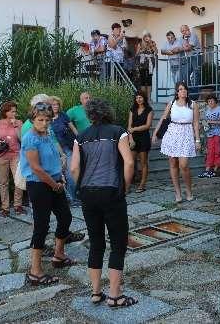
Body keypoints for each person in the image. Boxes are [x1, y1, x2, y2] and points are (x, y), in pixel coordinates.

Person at [70, 99, 137, 308]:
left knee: (96, 243)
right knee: (118, 243)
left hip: (88, 194)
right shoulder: (118, 132)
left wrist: (80, 187)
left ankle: (96, 292)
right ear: (108, 112)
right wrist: (125, 186)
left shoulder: (80, 137)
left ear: (89, 115)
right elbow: (129, 161)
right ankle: (115, 295)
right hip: (111, 191)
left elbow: (73, 168)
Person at [21, 102, 74, 286]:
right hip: (39, 185)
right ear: (32, 120)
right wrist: (54, 185)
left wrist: (60, 177)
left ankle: (58, 255)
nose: (44, 123)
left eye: (47, 120)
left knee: (65, 217)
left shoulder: (48, 133)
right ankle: (35, 271)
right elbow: (35, 168)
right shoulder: (30, 138)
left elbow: (53, 157)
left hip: (55, 181)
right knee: (41, 226)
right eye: (40, 120)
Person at [152, 82, 201, 202]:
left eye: (184, 89)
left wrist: (197, 139)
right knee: (173, 163)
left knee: (184, 165)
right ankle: (178, 192)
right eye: (180, 89)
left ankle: (189, 190)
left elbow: (195, 123)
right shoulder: (171, 104)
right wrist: (155, 133)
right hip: (172, 134)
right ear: (177, 92)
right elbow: (163, 119)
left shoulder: (193, 105)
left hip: (186, 134)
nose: (183, 91)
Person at [0, 101, 25, 216]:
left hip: (16, 154)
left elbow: (22, 139)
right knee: (3, 182)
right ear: (6, 112)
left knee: (18, 180)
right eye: (12, 111)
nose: (14, 113)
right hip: (1, 156)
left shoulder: (19, 122)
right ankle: (5, 208)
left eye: (15, 111)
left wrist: (15, 126)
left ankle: (18, 205)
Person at [49, 96, 80, 207]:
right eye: (53, 105)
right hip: (53, 151)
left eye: (57, 104)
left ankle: (73, 198)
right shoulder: (46, 118)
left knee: (71, 172)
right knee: (58, 176)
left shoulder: (63, 116)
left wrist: (80, 139)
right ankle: (63, 200)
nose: (55, 106)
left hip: (66, 147)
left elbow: (73, 129)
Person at [128, 91, 153, 193]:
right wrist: (130, 137)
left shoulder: (149, 110)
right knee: (130, 162)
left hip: (144, 138)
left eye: (140, 97)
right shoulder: (132, 110)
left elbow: (147, 125)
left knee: (143, 162)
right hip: (133, 138)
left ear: (144, 98)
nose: (138, 99)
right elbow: (129, 126)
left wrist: (134, 129)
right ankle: (127, 185)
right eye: (137, 98)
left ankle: (142, 184)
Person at [199, 95, 220, 179]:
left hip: (217, 133)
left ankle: (215, 169)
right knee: (210, 151)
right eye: (209, 101)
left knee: (217, 151)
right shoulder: (207, 110)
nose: (210, 102)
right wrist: (204, 123)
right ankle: (207, 169)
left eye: (212, 101)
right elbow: (204, 120)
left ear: (215, 101)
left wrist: (211, 121)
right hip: (209, 133)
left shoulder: (219, 109)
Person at [180, 25, 202, 94]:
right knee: (186, 74)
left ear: (188, 29)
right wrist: (184, 47)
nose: (184, 32)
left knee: (196, 73)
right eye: (182, 31)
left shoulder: (193, 35)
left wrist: (186, 41)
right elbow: (181, 47)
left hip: (196, 56)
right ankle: (189, 90)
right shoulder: (182, 38)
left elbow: (189, 47)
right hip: (188, 57)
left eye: (184, 30)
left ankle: (195, 91)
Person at [138, 31, 158, 102]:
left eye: (148, 36)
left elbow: (156, 52)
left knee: (149, 81)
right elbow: (137, 54)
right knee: (143, 81)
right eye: (146, 36)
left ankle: (149, 98)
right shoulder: (140, 44)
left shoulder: (152, 43)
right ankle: (144, 98)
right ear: (143, 37)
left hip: (150, 64)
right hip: (142, 64)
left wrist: (153, 46)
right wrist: (141, 51)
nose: (147, 38)